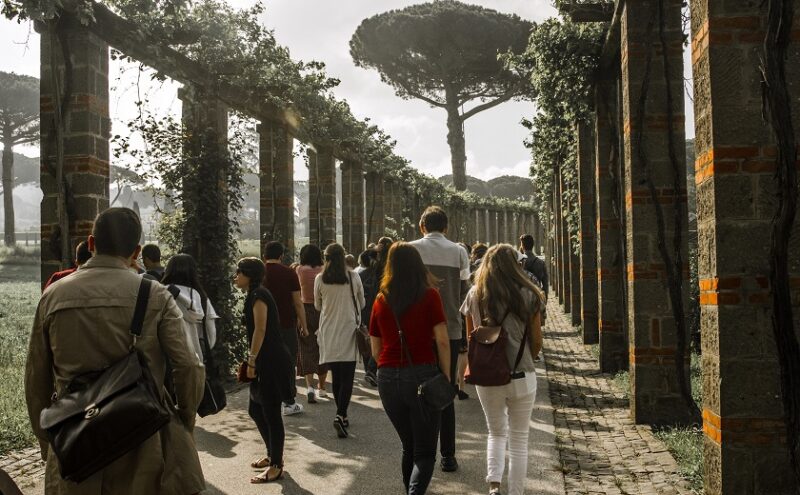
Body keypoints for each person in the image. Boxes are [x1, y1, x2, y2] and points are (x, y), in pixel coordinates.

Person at [26, 207, 205, 495]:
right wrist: (185, 417)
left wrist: (48, 440)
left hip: (76, 440)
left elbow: (36, 379)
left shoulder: (53, 296)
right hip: (144, 440)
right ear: (136, 252)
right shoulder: (155, 295)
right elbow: (189, 366)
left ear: (92, 243)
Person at [460, 244, 544, 495]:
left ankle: (494, 485)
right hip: (522, 374)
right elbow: (537, 341)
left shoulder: (475, 294)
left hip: (488, 375)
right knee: (519, 439)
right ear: (515, 266)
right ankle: (515, 492)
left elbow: (470, 337)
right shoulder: (529, 294)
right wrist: (526, 356)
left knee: (495, 433)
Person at [369, 242, 451, 495]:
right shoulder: (429, 295)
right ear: (418, 265)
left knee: (408, 445)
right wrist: (446, 375)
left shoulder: (381, 299)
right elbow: (443, 340)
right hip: (423, 375)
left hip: (387, 378)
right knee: (425, 452)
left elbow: (375, 348)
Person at [409, 206, 469, 473]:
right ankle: (448, 455)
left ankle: (418, 453)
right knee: (445, 392)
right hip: (451, 328)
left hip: (417, 331)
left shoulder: (411, 250)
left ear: (422, 226)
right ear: (446, 227)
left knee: (414, 391)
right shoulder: (458, 251)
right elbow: (464, 287)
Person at [235, 257, 294, 484]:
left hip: (271, 360)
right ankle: (272, 455)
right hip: (265, 359)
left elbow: (260, 329)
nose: (236, 276)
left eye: (239, 272)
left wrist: (251, 361)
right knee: (255, 409)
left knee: (270, 413)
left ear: (249, 274)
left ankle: (276, 465)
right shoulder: (254, 294)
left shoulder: (259, 295)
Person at [314, 243, 365, 438]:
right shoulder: (353, 277)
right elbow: (362, 302)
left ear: (325, 259)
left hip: (328, 330)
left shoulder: (320, 278)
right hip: (348, 329)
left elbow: (317, 306)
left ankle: (341, 415)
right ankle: (341, 414)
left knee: (335, 375)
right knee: (348, 376)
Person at [262, 241, 307, 416]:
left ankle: (268, 397)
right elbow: (297, 302)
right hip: (286, 324)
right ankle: (288, 401)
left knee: (267, 361)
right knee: (288, 363)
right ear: (281, 255)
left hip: (263, 324)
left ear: (264, 255)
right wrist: (303, 325)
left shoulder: (260, 272)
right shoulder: (289, 273)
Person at [161, 254, 219, 362]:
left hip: (165, 360)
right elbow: (211, 335)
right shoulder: (202, 298)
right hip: (194, 359)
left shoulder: (161, 294)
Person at [295, 245, 329, 402]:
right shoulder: (324, 270)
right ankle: (322, 387)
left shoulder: (300, 270)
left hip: (305, 310)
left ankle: (309, 387)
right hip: (323, 311)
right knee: (323, 348)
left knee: (306, 346)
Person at [359, 248, 380, 386]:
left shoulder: (360, 275)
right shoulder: (381, 274)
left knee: (367, 340)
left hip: (365, 310)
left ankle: (369, 368)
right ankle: (373, 369)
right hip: (378, 309)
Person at [519, 234, 549, 300]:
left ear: (522, 246)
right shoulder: (541, 263)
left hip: (522, 300)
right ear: (532, 245)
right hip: (537, 298)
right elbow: (545, 284)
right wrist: (545, 298)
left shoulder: (518, 262)